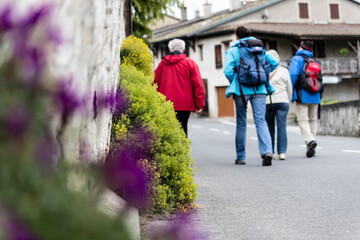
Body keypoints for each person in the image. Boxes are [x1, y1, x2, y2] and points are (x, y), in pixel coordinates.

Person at [223, 26, 279, 166]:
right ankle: (267, 151)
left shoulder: (235, 50)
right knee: (261, 121)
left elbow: (228, 70)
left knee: (241, 123)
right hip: (260, 89)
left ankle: (241, 157)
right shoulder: (259, 49)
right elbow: (274, 62)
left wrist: (235, 81)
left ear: (237, 36)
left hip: (241, 91)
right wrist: (263, 74)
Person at [154, 38, 205, 137]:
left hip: (165, 104)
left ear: (170, 50)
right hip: (184, 105)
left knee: (167, 131)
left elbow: (154, 83)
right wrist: (199, 104)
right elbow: (198, 85)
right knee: (182, 129)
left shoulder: (162, 65)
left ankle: (170, 151)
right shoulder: (190, 63)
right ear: (183, 49)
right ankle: (182, 151)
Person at [288, 40, 320, 158]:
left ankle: (310, 141)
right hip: (315, 94)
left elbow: (292, 75)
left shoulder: (297, 59)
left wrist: (290, 92)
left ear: (301, 48)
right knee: (312, 120)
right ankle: (311, 145)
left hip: (302, 94)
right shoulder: (315, 61)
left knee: (302, 120)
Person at [265, 50, 292, 160]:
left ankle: (270, 151)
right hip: (282, 101)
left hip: (268, 102)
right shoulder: (284, 71)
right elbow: (289, 87)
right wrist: (288, 100)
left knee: (269, 127)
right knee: (282, 126)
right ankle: (282, 152)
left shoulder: (264, 71)